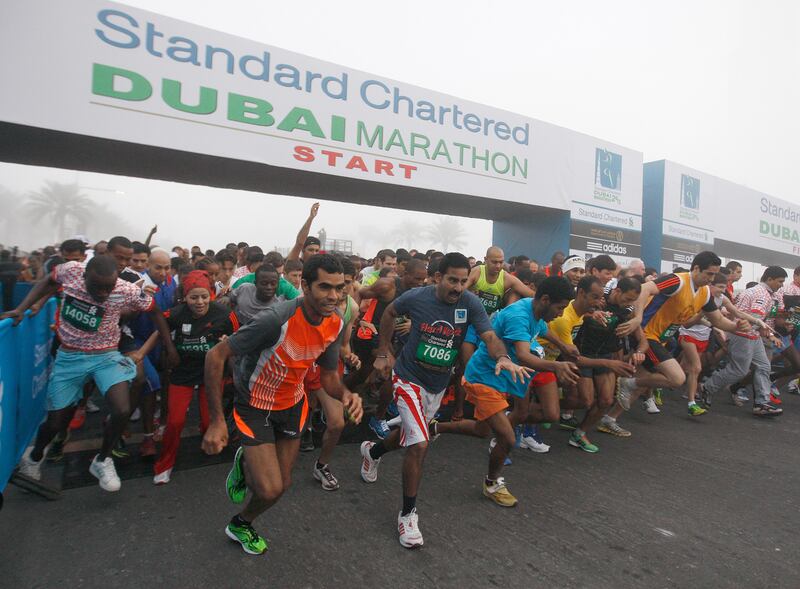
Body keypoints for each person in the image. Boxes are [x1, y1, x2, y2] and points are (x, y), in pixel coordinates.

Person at [360, 252, 528, 549]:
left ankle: (372, 452)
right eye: (452, 280)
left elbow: (489, 336)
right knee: (420, 444)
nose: (458, 287)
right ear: (437, 277)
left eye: (463, 281)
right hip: (408, 378)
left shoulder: (470, 303)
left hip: (436, 386)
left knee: (410, 437)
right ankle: (408, 514)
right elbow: (388, 314)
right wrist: (384, 352)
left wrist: (502, 356)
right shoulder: (416, 297)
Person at [200, 254, 363, 555]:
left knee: (282, 485)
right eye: (324, 287)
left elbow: (328, 377)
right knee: (270, 488)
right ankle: (240, 518)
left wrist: (346, 395)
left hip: (293, 404)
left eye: (339, 288)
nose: (334, 296)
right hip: (255, 405)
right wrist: (216, 420)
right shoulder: (276, 319)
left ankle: (242, 516)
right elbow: (216, 356)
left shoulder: (336, 323)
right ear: (304, 285)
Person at [8, 255, 177, 491]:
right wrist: (21, 308)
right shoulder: (71, 271)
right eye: (97, 287)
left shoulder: (125, 290)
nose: (103, 293)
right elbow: (48, 281)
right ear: (84, 276)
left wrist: (169, 346)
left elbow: (156, 311)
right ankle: (34, 456)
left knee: (122, 409)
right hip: (70, 357)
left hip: (106, 356)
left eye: (108, 288)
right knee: (56, 421)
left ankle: (102, 460)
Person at [434, 277, 579, 506]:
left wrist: (563, 346)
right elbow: (523, 355)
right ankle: (492, 484)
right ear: (545, 299)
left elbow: (543, 330)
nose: (561, 314)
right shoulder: (519, 316)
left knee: (482, 430)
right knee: (507, 438)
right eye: (560, 308)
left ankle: (434, 427)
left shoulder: (535, 311)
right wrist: (557, 365)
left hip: (499, 378)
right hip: (483, 377)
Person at [605, 251, 751, 435]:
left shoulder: (705, 293)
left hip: (661, 339)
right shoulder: (678, 281)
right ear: (696, 268)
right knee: (677, 378)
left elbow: (719, 321)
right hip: (646, 335)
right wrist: (638, 318)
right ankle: (619, 388)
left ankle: (609, 418)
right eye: (709, 274)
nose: (711, 279)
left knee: (640, 382)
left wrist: (736, 326)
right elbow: (645, 288)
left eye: (714, 275)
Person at [151, 270, 240, 484]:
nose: (199, 302)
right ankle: (165, 464)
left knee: (210, 420)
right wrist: (170, 348)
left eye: (204, 296)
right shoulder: (177, 313)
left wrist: (233, 368)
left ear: (211, 294)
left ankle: (209, 441)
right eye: (194, 297)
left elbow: (238, 338)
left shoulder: (224, 314)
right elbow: (160, 322)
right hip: (182, 373)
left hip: (211, 373)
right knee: (175, 421)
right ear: (185, 297)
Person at [699, 266, 787, 416]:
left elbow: (743, 314)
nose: (781, 285)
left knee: (764, 366)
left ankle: (761, 403)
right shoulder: (762, 294)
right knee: (739, 370)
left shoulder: (760, 291)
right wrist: (766, 331)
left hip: (751, 335)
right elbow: (755, 318)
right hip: (743, 335)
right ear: (769, 279)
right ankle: (707, 387)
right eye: (780, 281)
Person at [229, 264, 295, 324]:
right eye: (264, 283)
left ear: (277, 285)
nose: (269, 287)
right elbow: (229, 298)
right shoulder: (244, 289)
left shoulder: (278, 307)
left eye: (273, 284)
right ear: (255, 283)